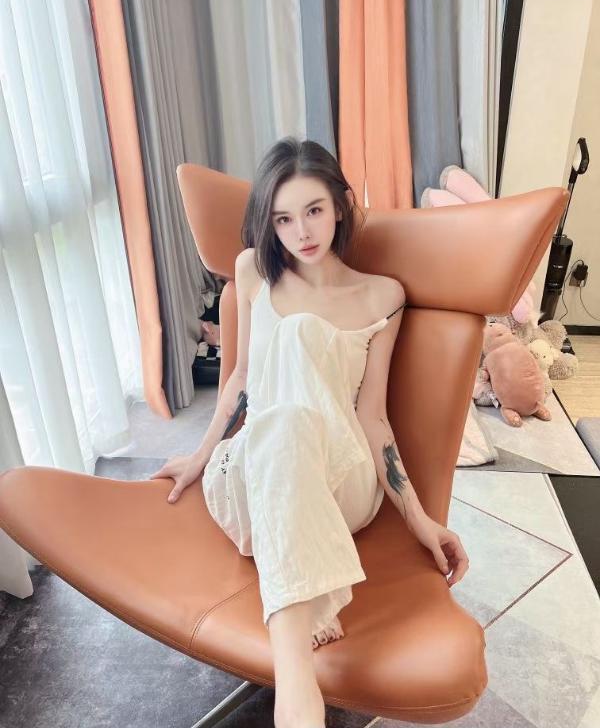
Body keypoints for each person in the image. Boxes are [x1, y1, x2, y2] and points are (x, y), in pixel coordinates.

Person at [149, 137, 469, 728]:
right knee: (284, 412)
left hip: (339, 483)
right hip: (254, 478)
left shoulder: (383, 297)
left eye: (314, 210)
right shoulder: (253, 271)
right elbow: (240, 379)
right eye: (283, 219)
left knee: (299, 346)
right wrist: (200, 456)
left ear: (340, 206)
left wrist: (420, 519)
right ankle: (302, 665)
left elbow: (373, 417)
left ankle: (295, 687)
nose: (301, 232)